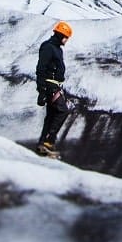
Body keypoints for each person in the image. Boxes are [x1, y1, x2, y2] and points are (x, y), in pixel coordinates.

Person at [34, 20, 73, 157]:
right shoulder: (48, 47)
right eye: (66, 37)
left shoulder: (57, 49)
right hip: (50, 86)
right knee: (62, 111)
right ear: (61, 35)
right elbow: (41, 69)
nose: (67, 40)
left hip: (54, 85)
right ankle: (49, 141)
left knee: (51, 115)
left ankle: (42, 144)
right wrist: (42, 91)